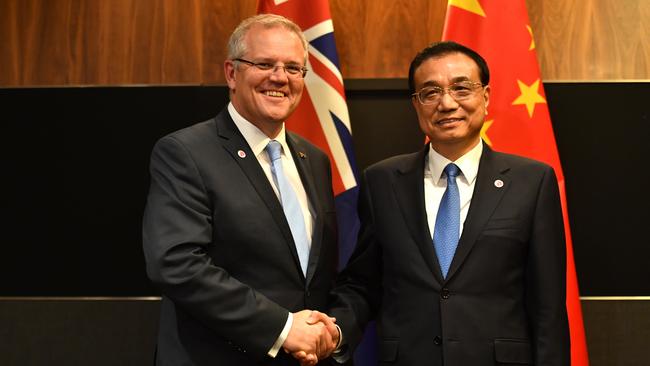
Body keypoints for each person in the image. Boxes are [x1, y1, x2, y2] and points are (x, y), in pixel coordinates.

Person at [329, 41, 570, 365]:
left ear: (485, 96)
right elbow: (363, 283)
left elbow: (548, 308)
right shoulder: (382, 181)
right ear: (416, 105)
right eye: (430, 92)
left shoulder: (532, 182)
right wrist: (334, 331)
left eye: (461, 88)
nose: (446, 103)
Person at [143, 14, 340, 366]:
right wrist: (282, 328)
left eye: (293, 68)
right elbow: (176, 264)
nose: (280, 77)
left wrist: (320, 332)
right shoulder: (185, 152)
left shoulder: (315, 159)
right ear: (232, 73)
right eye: (264, 64)